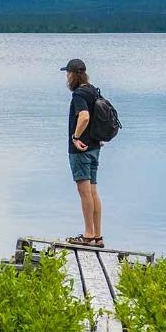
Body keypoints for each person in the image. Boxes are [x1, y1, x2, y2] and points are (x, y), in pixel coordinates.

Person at [63, 58, 104, 247]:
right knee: (93, 191)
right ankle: (97, 236)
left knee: (84, 192)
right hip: (95, 147)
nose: (66, 77)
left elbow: (85, 117)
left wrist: (75, 137)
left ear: (73, 75)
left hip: (81, 150)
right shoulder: (93, 90)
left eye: (67, 74)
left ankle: (88, 235)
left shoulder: (79, 94)